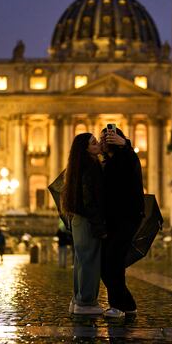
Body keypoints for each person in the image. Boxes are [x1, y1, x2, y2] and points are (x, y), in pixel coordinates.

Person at [99, 127, 144, 318]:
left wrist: (126, 145)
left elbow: (132, 163)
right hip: (111, 220)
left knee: (113, 261)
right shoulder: (107, 163)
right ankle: (128, 304)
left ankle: (117, 305)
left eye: (105, 138)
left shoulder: (126, 158)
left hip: (126, 218)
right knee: (106, 263)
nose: (101, 141)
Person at [61, 132, 106, 315]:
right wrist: (98, 225)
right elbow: (90, 199)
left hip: (78, 219)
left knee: (81, 260)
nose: (97, 145)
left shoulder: (78, 167)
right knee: (90, 262)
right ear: (86, 149)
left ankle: (78, 299)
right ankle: (86, 303)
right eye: (94, 143)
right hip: (88, 219)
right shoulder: (91, 167)